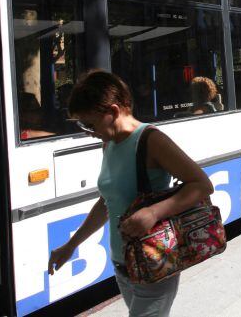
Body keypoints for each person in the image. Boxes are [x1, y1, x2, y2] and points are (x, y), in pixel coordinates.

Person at [47, 70, 214, 317]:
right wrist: (72, 245)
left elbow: (201, 185)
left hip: (154, 260)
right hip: (122, 263)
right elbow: (107, 202)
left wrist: (153, 211)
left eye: (90, 124)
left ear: (113, 111)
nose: (88, 131)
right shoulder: (109, 143)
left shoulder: (151, 140)